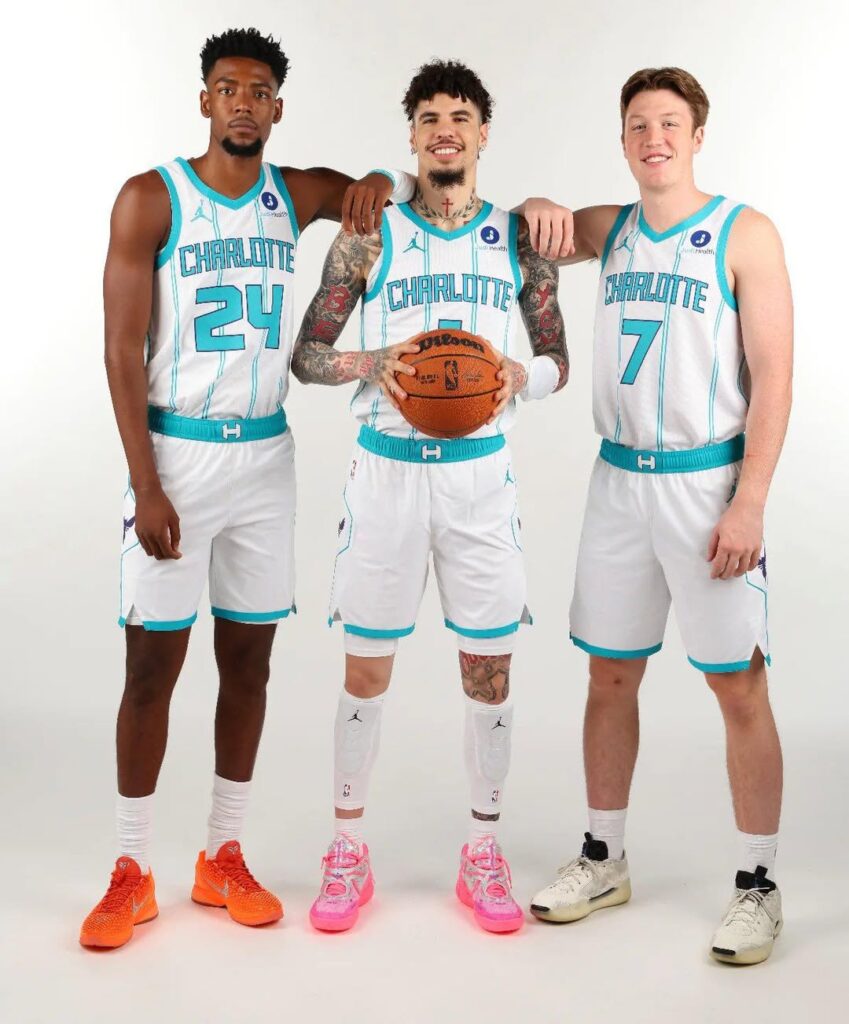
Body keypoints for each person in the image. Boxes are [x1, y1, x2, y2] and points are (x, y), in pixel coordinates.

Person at [80, 26, 436, 950]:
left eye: (259, 90)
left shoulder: (295, 191)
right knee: (151, 668)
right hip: (178, 456)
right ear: (205, 100)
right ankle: (130, 868)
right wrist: (145, 483)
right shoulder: (151, 198)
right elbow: (120, 351)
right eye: (228, 88)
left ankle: (222, 854)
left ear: (277, 107)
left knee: (249, 665)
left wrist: (380, 177)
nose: (243, 102)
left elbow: (387, 189)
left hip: (266, 460)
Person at [291, 59, 569, 935]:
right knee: (365, 669)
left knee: (489, 669)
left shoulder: (518, 239)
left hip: (478, 475)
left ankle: (482, 850)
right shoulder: (369, 233)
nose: (444, 129)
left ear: (483, 132)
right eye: (428, 117)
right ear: (410, 135)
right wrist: (373, 362)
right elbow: (306, 355)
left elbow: (558, 358)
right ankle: (347, 847)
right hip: (385, 470)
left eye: (459, 115)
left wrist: (522, 376)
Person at [528, 67, 792, 965]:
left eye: (669, 123)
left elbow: (774, 378)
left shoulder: (744, 232)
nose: (654, 138)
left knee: (737, 686)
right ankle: (604, 857)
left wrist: (748, 500)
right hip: (617, 481)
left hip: (704, 483)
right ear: (622, 139)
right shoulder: (612, 229)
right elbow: (529, 230)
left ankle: (757, 884)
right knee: (608, 676)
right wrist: (537, 205)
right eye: (638, 124)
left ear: (697, 135)